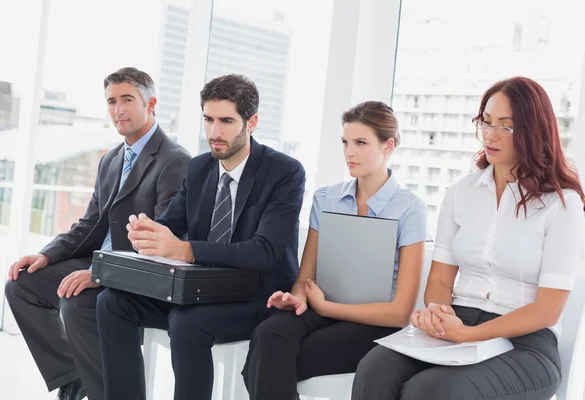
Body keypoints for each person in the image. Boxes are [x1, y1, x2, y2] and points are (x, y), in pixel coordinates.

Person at [352, 76, 585, 400]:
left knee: (431, 391)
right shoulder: (461, 194)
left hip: (527, 343)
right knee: (374, 368)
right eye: (486, 122)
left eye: (506, 126)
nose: (491, 135)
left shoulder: (562, 203)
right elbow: (440, 282)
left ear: (534, 131)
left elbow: (547, 310)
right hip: (459, 321)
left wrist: (470, 335)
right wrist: (439, 314)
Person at [95, 74, 306, 400]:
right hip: (198, 291)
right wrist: (147, 233)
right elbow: (170, 227)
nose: (214, 132)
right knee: (111, 303)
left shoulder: (284, 172)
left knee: (187, 323)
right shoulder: (199, 169)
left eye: (225, 121)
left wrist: (186, 250)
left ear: (251, 122)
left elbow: (264, 252)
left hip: (255, 297)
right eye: (208, 119)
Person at [4, 67, 192, 400]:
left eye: (127, 99)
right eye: (111, 101)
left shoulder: (174, 160)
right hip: (99, 263)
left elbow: (163, 240)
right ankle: (73, 377)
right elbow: (91, 223)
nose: (118, 109)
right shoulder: (112, 160)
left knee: (76, 303)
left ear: (151, 103)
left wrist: (102, 273)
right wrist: (47, 254)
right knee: (22, 284)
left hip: (140, 275)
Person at [242, 101, 428, 400]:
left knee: (273, 360)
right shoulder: (326, 198)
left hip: (373, 322)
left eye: (360, 143)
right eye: (345, 142)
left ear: (388, 146)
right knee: (268, 335)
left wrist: (327, 307)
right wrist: (296, 299)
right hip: (317, 308)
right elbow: (305, 279)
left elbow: (400, 312)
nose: (349, 152)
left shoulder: (410, 209)